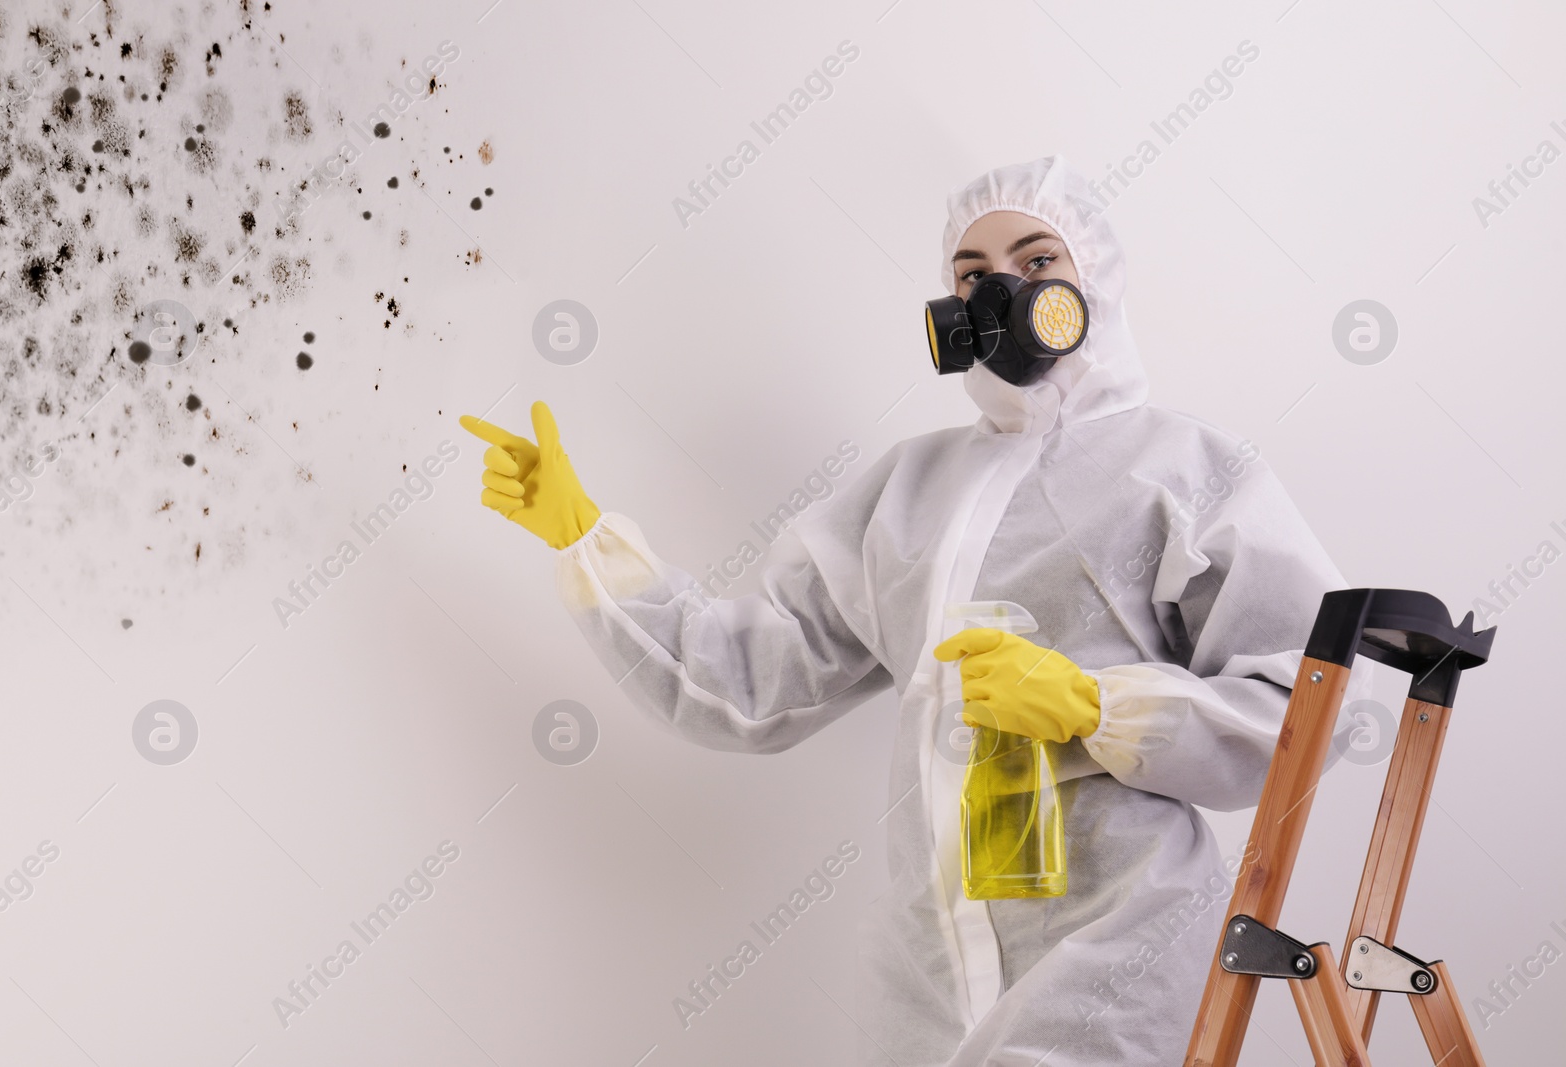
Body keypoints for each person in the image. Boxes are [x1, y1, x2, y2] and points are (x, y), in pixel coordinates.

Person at [460, 156, 1375, 1065]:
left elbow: (1307, 697)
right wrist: (584, 539)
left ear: (1095, 279)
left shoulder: (1185, 468)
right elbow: (744, 686)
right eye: (972, 276)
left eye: (1037, 260)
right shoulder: (908, 493)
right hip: (928, 979)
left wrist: (1095, 707)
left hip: (1114, 946)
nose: (1001, 291)